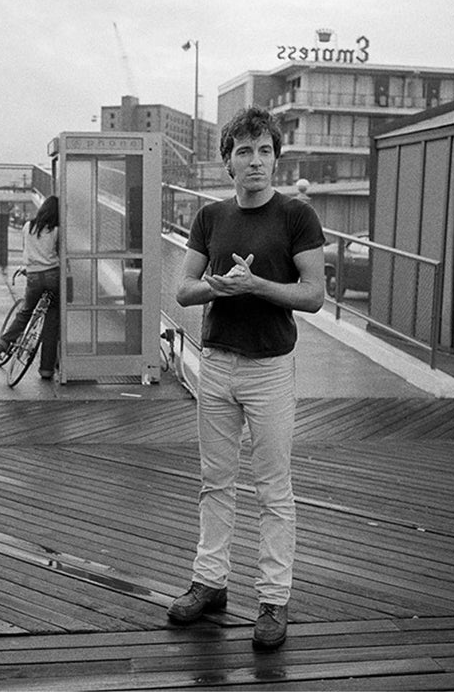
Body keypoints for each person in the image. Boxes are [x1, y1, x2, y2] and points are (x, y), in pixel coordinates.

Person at [167, 107, 326, 650]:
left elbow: (313, 296)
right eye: (244, 151)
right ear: (228, 161)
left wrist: (256, 285)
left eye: (264, 151)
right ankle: (209, 583)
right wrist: (222, 287)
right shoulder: (211, 217)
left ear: (276, 158)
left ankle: (273, 600)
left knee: (273, 488)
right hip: (215, 365)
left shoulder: (297, 216)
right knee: (215, 481)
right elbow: (184, 289)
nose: (255, 161)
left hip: (270, 370)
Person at [0, 195, 60, 380]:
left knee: (25, 313)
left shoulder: (28, 227)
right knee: (51, 323)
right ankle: (46, 369)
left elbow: (28, 251)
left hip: (33, 276)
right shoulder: (57, 230)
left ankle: (1, 346)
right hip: (52, 276)